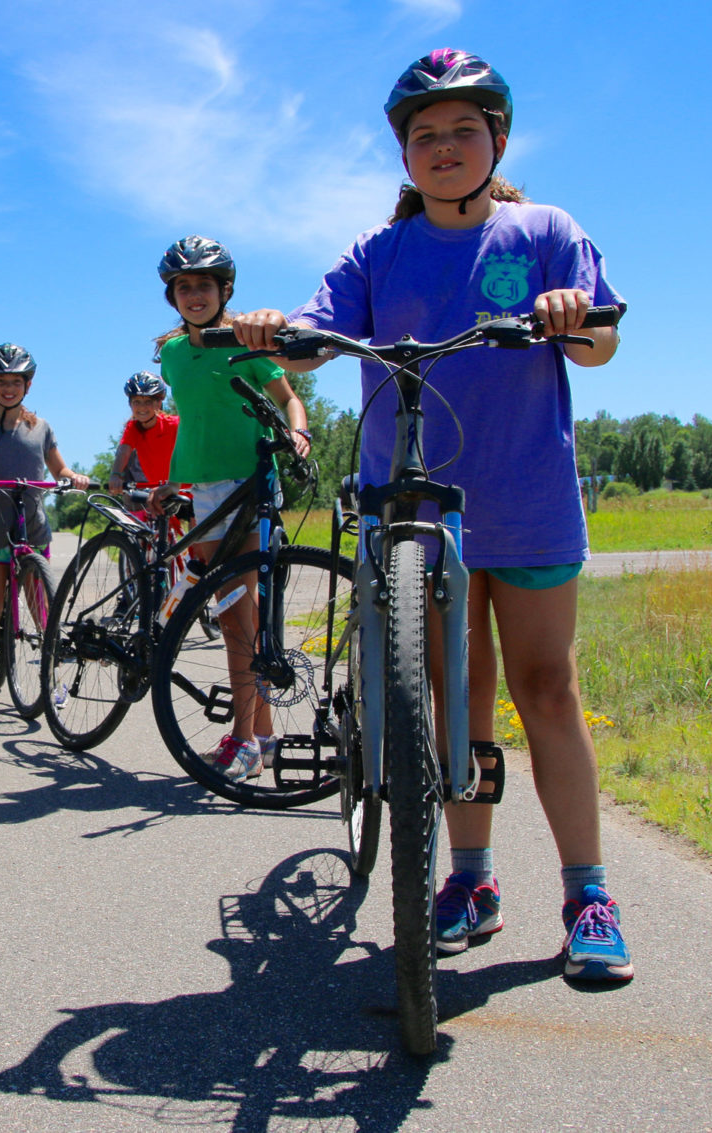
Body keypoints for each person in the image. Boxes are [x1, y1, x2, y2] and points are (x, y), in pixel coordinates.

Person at [232, 50, 631, 981]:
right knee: (456, 698)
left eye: (462, 130)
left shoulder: (545, 231)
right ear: (403, 154)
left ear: (498, 138)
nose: (443, 147)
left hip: (526, 500)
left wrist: (574, 314)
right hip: (412, 506)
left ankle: (589, 893)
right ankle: (472, 879)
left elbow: (601, 341)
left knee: (549, 689)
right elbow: (309, 335)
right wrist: (267, 330)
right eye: (424, 135)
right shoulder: (380, 251)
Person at [149, 236, 313, 781]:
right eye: (184, 287)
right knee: (231, 615)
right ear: (173, 296)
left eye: (205, 285)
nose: (194, 294)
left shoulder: (246, 342)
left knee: (248, 612)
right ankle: (262, 735)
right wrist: (174, 482)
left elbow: (290, 398)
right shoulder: (172, 355)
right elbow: (194, 422)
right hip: (204, 492)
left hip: (253, 481)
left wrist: (299, 434)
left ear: (226, 290)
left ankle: (245, 738)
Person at [0, 344, 90, 711]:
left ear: (27, 385)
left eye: (16, 382)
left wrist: (74, 478)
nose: (9, 388)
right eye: (1, 382)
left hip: (34, 531)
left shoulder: (40, 428)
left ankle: (51, 678)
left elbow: (60, 469)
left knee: (42, 610)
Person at [107, 371, 178, 493]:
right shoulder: (133, 427)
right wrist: (116, 475)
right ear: (130, 404)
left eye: (148, 402)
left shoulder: (175, 425)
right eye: (137, 402)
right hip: (157, 495)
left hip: (188, 492)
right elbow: (124, 452)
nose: (142, 407)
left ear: (159, 402)